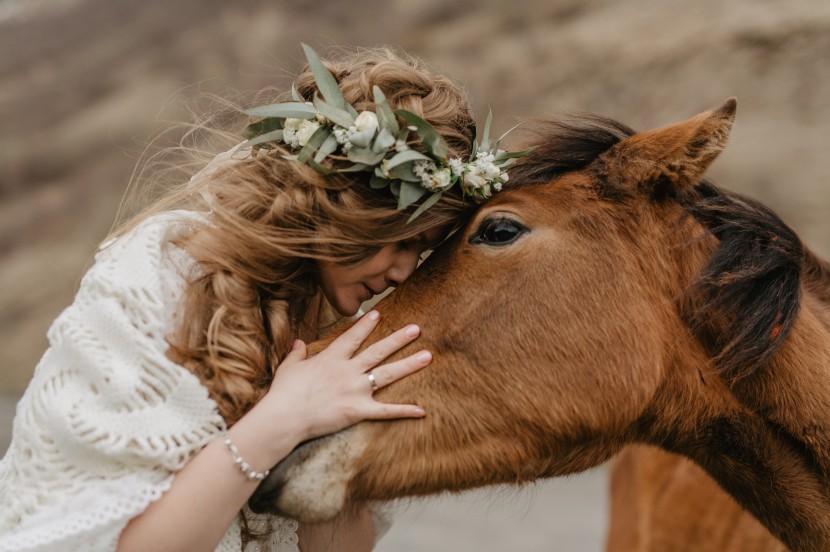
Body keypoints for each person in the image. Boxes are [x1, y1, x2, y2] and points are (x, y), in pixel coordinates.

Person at [0, 44, 527, 552]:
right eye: (402, 239)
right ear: (345, 206)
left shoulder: (341, 327)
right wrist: (283, 421)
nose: (404, 272)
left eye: (425, 250)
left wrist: (333, 436)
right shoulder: (157, 274)